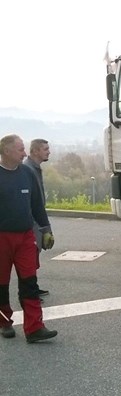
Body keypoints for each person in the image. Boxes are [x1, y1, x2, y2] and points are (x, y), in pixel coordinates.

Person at [0, 134, 57, 343]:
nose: (24, 153)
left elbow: (36, 205)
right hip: (1, 238)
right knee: (1, 284)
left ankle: (34, 328)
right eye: (20, 149)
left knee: (30, 282)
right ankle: (5, 321)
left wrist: (46, 229)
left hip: (25, 236)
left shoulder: (27, 173)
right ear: (6, 152)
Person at [23, 138, 51, 298]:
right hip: (31, 221)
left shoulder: (34, 168)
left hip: (36, 219)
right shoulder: (28, 169)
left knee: (34, 255)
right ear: (35, 151)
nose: (48, 151)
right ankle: (30, 292)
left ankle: (33, 287)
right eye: (45, 149)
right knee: (30, 256)